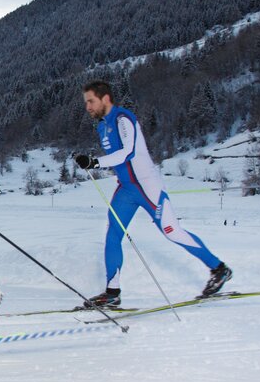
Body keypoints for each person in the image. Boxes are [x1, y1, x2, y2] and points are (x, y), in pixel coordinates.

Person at [74, 80, 232, 307]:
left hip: (147, 186)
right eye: (86, 102)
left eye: (91, 101)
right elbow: (117, 159)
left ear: (105, 98)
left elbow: (127, 153)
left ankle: (219, 269)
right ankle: (112, 293)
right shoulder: (103, 126)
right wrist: (90, 161)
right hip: (127, 189)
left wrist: (95, 162)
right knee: (113, 234)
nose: (87, 106)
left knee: (172, 232)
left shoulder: (123, 119)